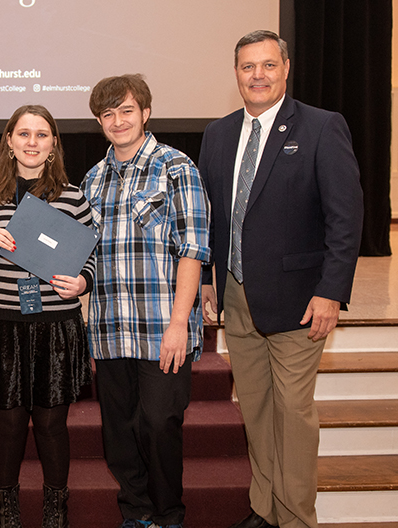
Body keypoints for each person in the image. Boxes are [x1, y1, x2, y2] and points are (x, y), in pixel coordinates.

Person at [199, 30, 363, 528]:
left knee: (292, 416)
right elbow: (213, 216)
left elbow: (345, 217)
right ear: (236, 74)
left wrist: (331, 290)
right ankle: (264, 509)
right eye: (248, 67)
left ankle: (296, 518)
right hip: (236, 293)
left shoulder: (321, 127)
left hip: (299, 300)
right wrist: (209, 280)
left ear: (286, 68)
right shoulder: (219, 133)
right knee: (256, 409)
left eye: (268, 65)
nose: (258, 76)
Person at [80, 74, 211, 528]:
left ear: (146, 113)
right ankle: (135, 514)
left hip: (161, 329)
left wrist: (180, 323)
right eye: (108, 114)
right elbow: (85, 256)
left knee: (158, 426)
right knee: (119, 433)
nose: (118, 121)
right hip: (109, 329)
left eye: (126, 111)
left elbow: (193, 250)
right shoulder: (93, 179)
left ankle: (169, 514)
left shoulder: (177, 167)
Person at [0, 104, 94, 528]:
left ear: (53, 144)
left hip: (56, 325)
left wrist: (83, 283)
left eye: (41, 134)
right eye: (24, 134)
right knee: (9, 425)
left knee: (53, 425)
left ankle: (56, 511)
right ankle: (8, 511)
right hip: (2, 323)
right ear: (10, 142)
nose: (32, 142)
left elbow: (91, 258)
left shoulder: (74, 196)